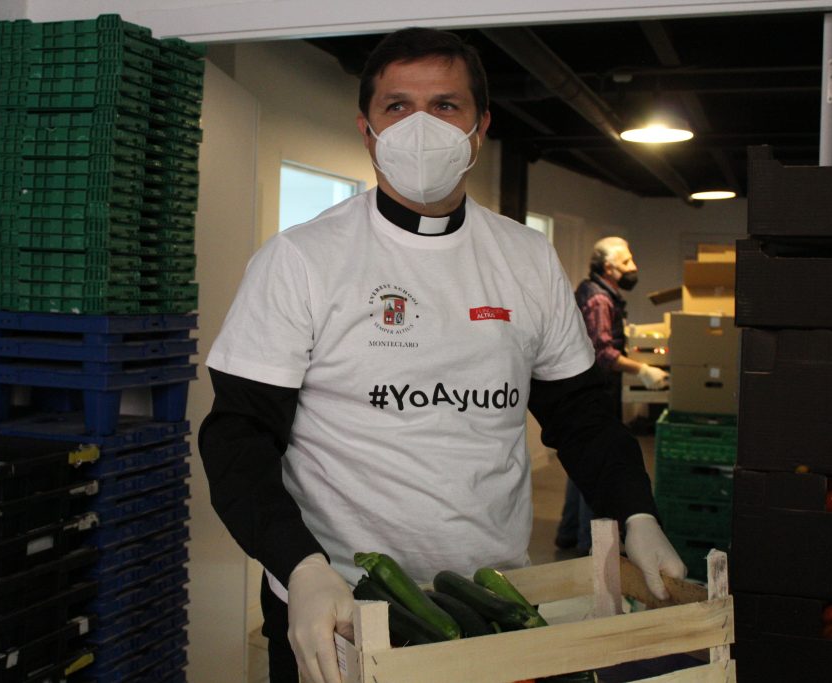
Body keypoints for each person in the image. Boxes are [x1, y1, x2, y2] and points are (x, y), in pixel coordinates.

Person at [198, 27, 686, 683]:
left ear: (479, 128)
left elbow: (580, 413)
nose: (419, 126)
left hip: (491, 602)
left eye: (446, 106)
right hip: (339, 603)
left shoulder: (526, 259)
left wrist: (636, 511)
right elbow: (238, 435)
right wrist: (299, 565)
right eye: (397, 106)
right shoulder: (302, 260)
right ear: (367, 129)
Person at [555, 237, 670, 554]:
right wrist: (643, 370)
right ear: (608, 267)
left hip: (594, 388)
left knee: (582, 457)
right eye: (626, 263)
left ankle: (568, 533)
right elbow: (603, 352)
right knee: (598, 458)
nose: (633, 268)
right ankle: (587, 542)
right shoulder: (599, 301)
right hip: (596, 390)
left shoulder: (601, 294)